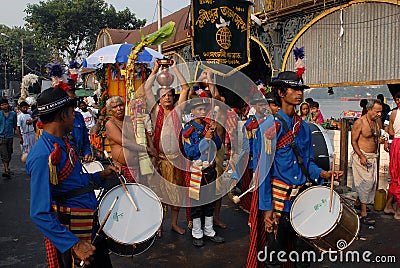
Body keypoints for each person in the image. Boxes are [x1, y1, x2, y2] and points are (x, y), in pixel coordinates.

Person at [246, 71, 342, 267]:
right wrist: (266, 209)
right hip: (278, 201)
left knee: (303, 255)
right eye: (295, 89)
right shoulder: (268, 127)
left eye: (301, 89)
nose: (299, 93)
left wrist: (323, 173)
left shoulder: (304, 128)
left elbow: (308, 163)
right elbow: (263, 170)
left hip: (301, 200)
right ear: (281, 92)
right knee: (275, 255)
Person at [26, 87, 119, 267]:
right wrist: (74, 244)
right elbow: (39, 212)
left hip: (88, 226)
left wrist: (100, 175)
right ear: (62, 116)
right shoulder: (42, 155)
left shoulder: (63, 142)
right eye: (71, 111)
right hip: (74, 233)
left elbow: (73, 183)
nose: (74, 115)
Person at [143, 60, 190, 235]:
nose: (168, 97)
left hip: (176, 160)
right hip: (160, 160)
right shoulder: (156, 111)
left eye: (170, 94)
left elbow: (185, 88)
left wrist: (176, 69)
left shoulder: (178, 110)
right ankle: (159, 225)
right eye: (164, 95)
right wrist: (155, 69)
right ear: (159, 99)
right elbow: (147, 88)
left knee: (176, 194)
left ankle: (175, 224)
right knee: (160, 195)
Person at [182, 97, 225, 247]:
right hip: (196, 171)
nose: (202, 112)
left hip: (210, 169)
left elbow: (218, 146)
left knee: (210, 201)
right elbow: (189, 151)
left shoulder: (209, 126)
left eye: (204, 109)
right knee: (196, 203)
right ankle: (197, 232)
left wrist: (214, 131)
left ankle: (209, 230)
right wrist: (204, 140)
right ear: (193, 111)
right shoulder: (188, 130)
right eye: (199, 109)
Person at [105, 96, 156, 183]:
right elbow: (124, 142)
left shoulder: (131, 120)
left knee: (143, 193)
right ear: (110, 111)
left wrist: (153, 154)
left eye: (120, 105)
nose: (119, 108)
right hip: (123, 168)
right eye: (115, 107)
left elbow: (145, 134)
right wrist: (146, 149)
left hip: (140, 166)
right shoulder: (110, 124)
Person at [232, 92, 268, 212]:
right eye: (260, 105)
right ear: (255, 106)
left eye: (265, 105)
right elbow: (248, 146)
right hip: (254, 158)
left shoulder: (269, 121)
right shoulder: (250, 125)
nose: (263, 107)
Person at [351, 99, 383, 225]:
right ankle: (364, 213)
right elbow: (353, 141)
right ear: (369, 110)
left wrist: (383, 142)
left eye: (380, 112)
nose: (379, 114)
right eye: (377, 112)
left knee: (372, 182)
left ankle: (358, 203)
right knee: (366, 183)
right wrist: (361, 156)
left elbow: (377, 136)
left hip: (373, 156)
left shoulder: (377, 121)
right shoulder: (359, 123)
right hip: (362, 157)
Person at [384, 92, 400, 219]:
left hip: (395, 144)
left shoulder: (393, 113)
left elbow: (390, 131)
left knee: (395, 177)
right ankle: (398, 211)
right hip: (398, 145)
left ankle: (389, 205)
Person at [0, 98, 17, 177]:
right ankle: (6, 169)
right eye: (2, 105)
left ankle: (7, 167)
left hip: (10, 136)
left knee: (10, 152)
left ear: (8, 105)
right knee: (4, 154)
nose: (4, 106)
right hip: (1, 137)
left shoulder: (13, 114)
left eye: (5, 104)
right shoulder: (0, 114)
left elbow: (15, 125)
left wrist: (20, 136)